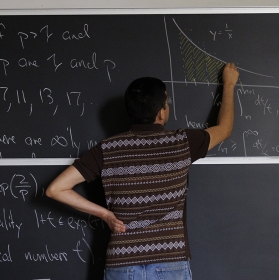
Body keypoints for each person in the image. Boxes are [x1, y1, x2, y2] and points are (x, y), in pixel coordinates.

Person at [46, 62, 239, 279]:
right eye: (166, 103)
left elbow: (56, 189)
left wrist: (106, 215)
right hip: (170, 259)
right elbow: (225, 128)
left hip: (122, 263)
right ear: (160, 113)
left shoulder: (107, 149)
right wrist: (229, 84)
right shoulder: (182, 142)